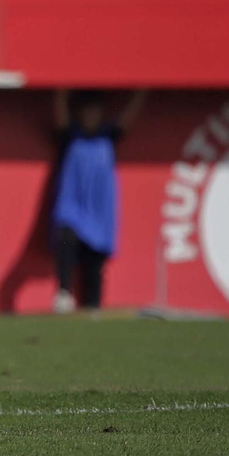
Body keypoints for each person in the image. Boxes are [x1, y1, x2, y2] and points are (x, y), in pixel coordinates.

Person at [50, 89, 146, 313]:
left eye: (95, 111)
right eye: (87, 111)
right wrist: (61, 91)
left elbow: (128, 117)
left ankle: (92, 308)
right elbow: (59, 109)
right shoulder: (70, 136)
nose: (91, 116)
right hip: (72, 206)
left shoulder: (108, 136)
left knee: (94, 265)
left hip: (99, 211)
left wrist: (143, 90)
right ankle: (63, 293)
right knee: (65, 237)